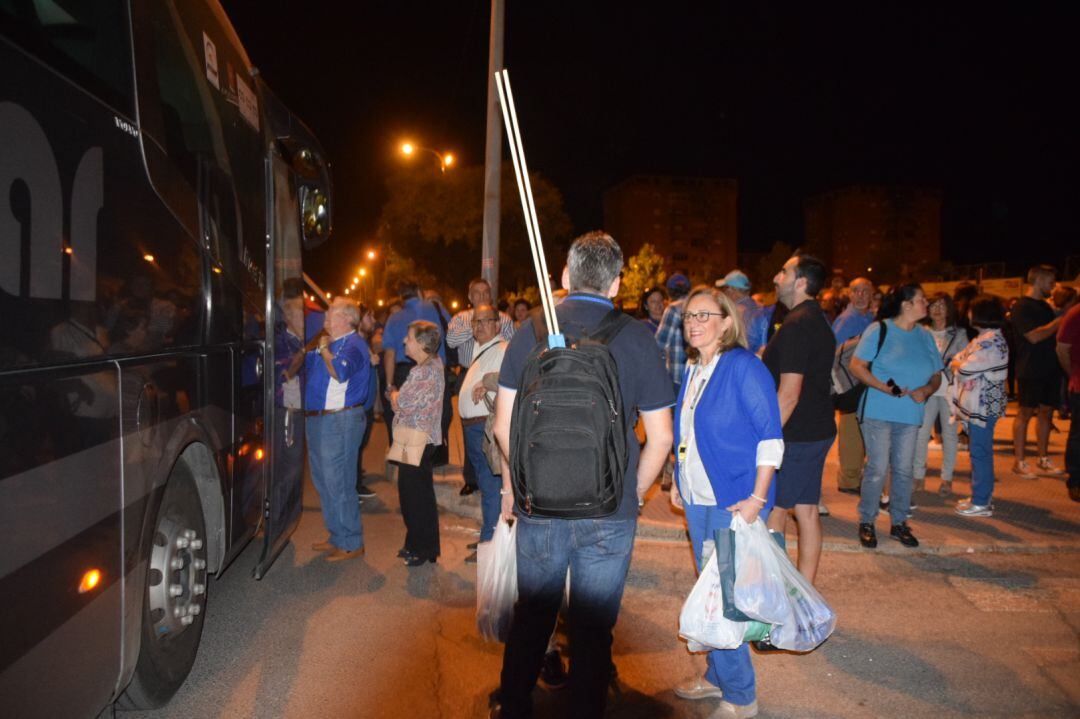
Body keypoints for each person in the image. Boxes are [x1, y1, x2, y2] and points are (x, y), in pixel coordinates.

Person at [491, 231, 674, 719]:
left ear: (566, 277)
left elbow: (503, 428)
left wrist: (514, 488)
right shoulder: (637, 336)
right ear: (616, 285)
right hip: (610, 509)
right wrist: (632, 494)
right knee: (593, 627)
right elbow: (660, 438)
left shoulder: (529, 331)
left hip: (540, 505)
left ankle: (513, 706)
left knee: (534, 615)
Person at [670, 286, 782, 719]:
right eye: (688, 317)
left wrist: (757, 497)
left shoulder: (743, 367)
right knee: (710, 590)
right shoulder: (696, 366)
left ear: (726, 321)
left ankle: (740, 696)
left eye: (703, 315)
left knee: (727, 600)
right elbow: (687, 434)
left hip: (735, 499)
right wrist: (677, 478)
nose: (694, 324)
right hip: (699, 497)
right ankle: (717, 675)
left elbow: (771, 438)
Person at [761, 254, 836, 584]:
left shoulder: (796, 325)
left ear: (801, 282)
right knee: (805, 509)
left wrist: (766, 438)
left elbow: (789, 392)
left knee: (776, 510)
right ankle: (804, 589)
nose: (776, 278)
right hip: (815, 428)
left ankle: (778, 589)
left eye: (783, 271)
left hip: (796, 434)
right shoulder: (815, 318)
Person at [849, 284, 942, 549]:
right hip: (878, 410)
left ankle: (899, 523)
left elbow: (936, 374)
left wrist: (927, 389)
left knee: (903, 470)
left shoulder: (924, 336)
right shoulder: (880, 329)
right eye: (922, 300)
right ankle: (867, 520)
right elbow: (857, 366)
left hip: (911, 413)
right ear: (906, 305)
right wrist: (883, 387)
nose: (927, 304)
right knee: (877, 469)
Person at [305, 297, 372, 562]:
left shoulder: (354, 344)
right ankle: (337, 535)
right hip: (320, 419)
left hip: (340, 421)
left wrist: (322, 349)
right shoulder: (333, 344)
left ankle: (351, 541)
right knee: (323, 481)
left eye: (329, 315)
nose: (324, 321)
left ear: (346, 318)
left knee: (339, 482)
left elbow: (339, 373)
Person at [447, 278, 515, 494]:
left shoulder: (503, 319)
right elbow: (451, 340)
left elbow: (512, 347)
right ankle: (471, 478)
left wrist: (485, 320)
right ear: (470, 297)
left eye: (486, 293)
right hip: (469, 368)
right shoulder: (461, 318)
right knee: (468, 431)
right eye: (477, 293)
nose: (482, 296)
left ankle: (492, 486)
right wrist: (476, 321)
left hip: (493, 368)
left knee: (488, 436)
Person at [390, 320, 445, 566]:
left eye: (409, 337)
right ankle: (421, 545)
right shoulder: (432, 365)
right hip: (417, 439)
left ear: (422, 343)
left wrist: (393, 394)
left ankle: (421, 548)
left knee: (414, 497)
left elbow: (401, 402)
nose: (404, 341)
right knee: (418, 495)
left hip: (416, 440)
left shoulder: (424, 371)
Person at [949, 295, 1010, 517]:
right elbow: (959, 360)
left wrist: (958, 363)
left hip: (983, 406)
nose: (968, 314)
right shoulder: (985, 338)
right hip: (981, 405)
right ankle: (980, 496)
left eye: (971, 311)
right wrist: (959, 362)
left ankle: (981, 501)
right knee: (979, 451)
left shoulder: (990, 341)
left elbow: (964, 367)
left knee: (980, 452)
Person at [456, 304, 507, 562]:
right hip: (472, 427)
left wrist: (487, 382)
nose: (480, 325)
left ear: (498, 325)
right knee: (486, 486)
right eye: (476, 321)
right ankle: (488, 536)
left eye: (487, 321)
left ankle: (490, 542)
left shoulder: (502, 348)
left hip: (484, 426)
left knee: (490, 485)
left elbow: (511, 377)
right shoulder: (480, 350)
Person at [1010, 265, 1066, 477]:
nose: (1053, 286)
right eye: (1050, 282)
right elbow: (1033, 336)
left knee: (1047, 412)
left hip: (1050, 367)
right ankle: (1020, 461)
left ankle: (1043, 458)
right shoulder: (1021, 306)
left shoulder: (1045, 306)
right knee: (1024, 413)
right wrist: (1058, 322)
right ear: (1039, 279)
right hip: (1030, 368)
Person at [912, 292, 969, 496]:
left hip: (949, 390)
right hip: (927, 389)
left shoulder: (959, 333)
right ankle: (918, 475)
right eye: (933, 305)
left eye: (942, 306)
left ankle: (947, 478)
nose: (937, 309)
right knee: (921, 433)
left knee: (950, 435)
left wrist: (952, 363)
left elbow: (964, 359)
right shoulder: (920, 331)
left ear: (949, 309)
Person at [381, 280, 445, 445]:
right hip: (434, 367)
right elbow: (448, 333)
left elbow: (389, 353)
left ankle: (407, 454)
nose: (404, 341)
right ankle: (420, 454)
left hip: (404, 371)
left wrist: (390, 387)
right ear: (418, 291)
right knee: (425, 419)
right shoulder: (434, 308)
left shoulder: (395, 317)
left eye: (408, 338)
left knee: (408, 426)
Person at [831, 277, 875, 496]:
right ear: (850, 294)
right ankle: (849, 479)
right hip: (851, 384)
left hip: (863, 383)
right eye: (856, 290)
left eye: (865, 291)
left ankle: (853, 477)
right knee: (851, 431)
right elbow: (835, 355)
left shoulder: (869, 317)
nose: (860, 295)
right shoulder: (847, 320)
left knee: (857, 431)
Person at [1057, 302, 1080, 502]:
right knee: (1078, 435)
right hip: (1079, 384)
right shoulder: (1075, 313)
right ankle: (1075, 480)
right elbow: (1062, 349)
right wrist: (1073, 373)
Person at [656, 272, 692, 396]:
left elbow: (659, 344)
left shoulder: (673, 309)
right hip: (695, 375)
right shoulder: (696, 306)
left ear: (669, 292)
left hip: (678, 376)